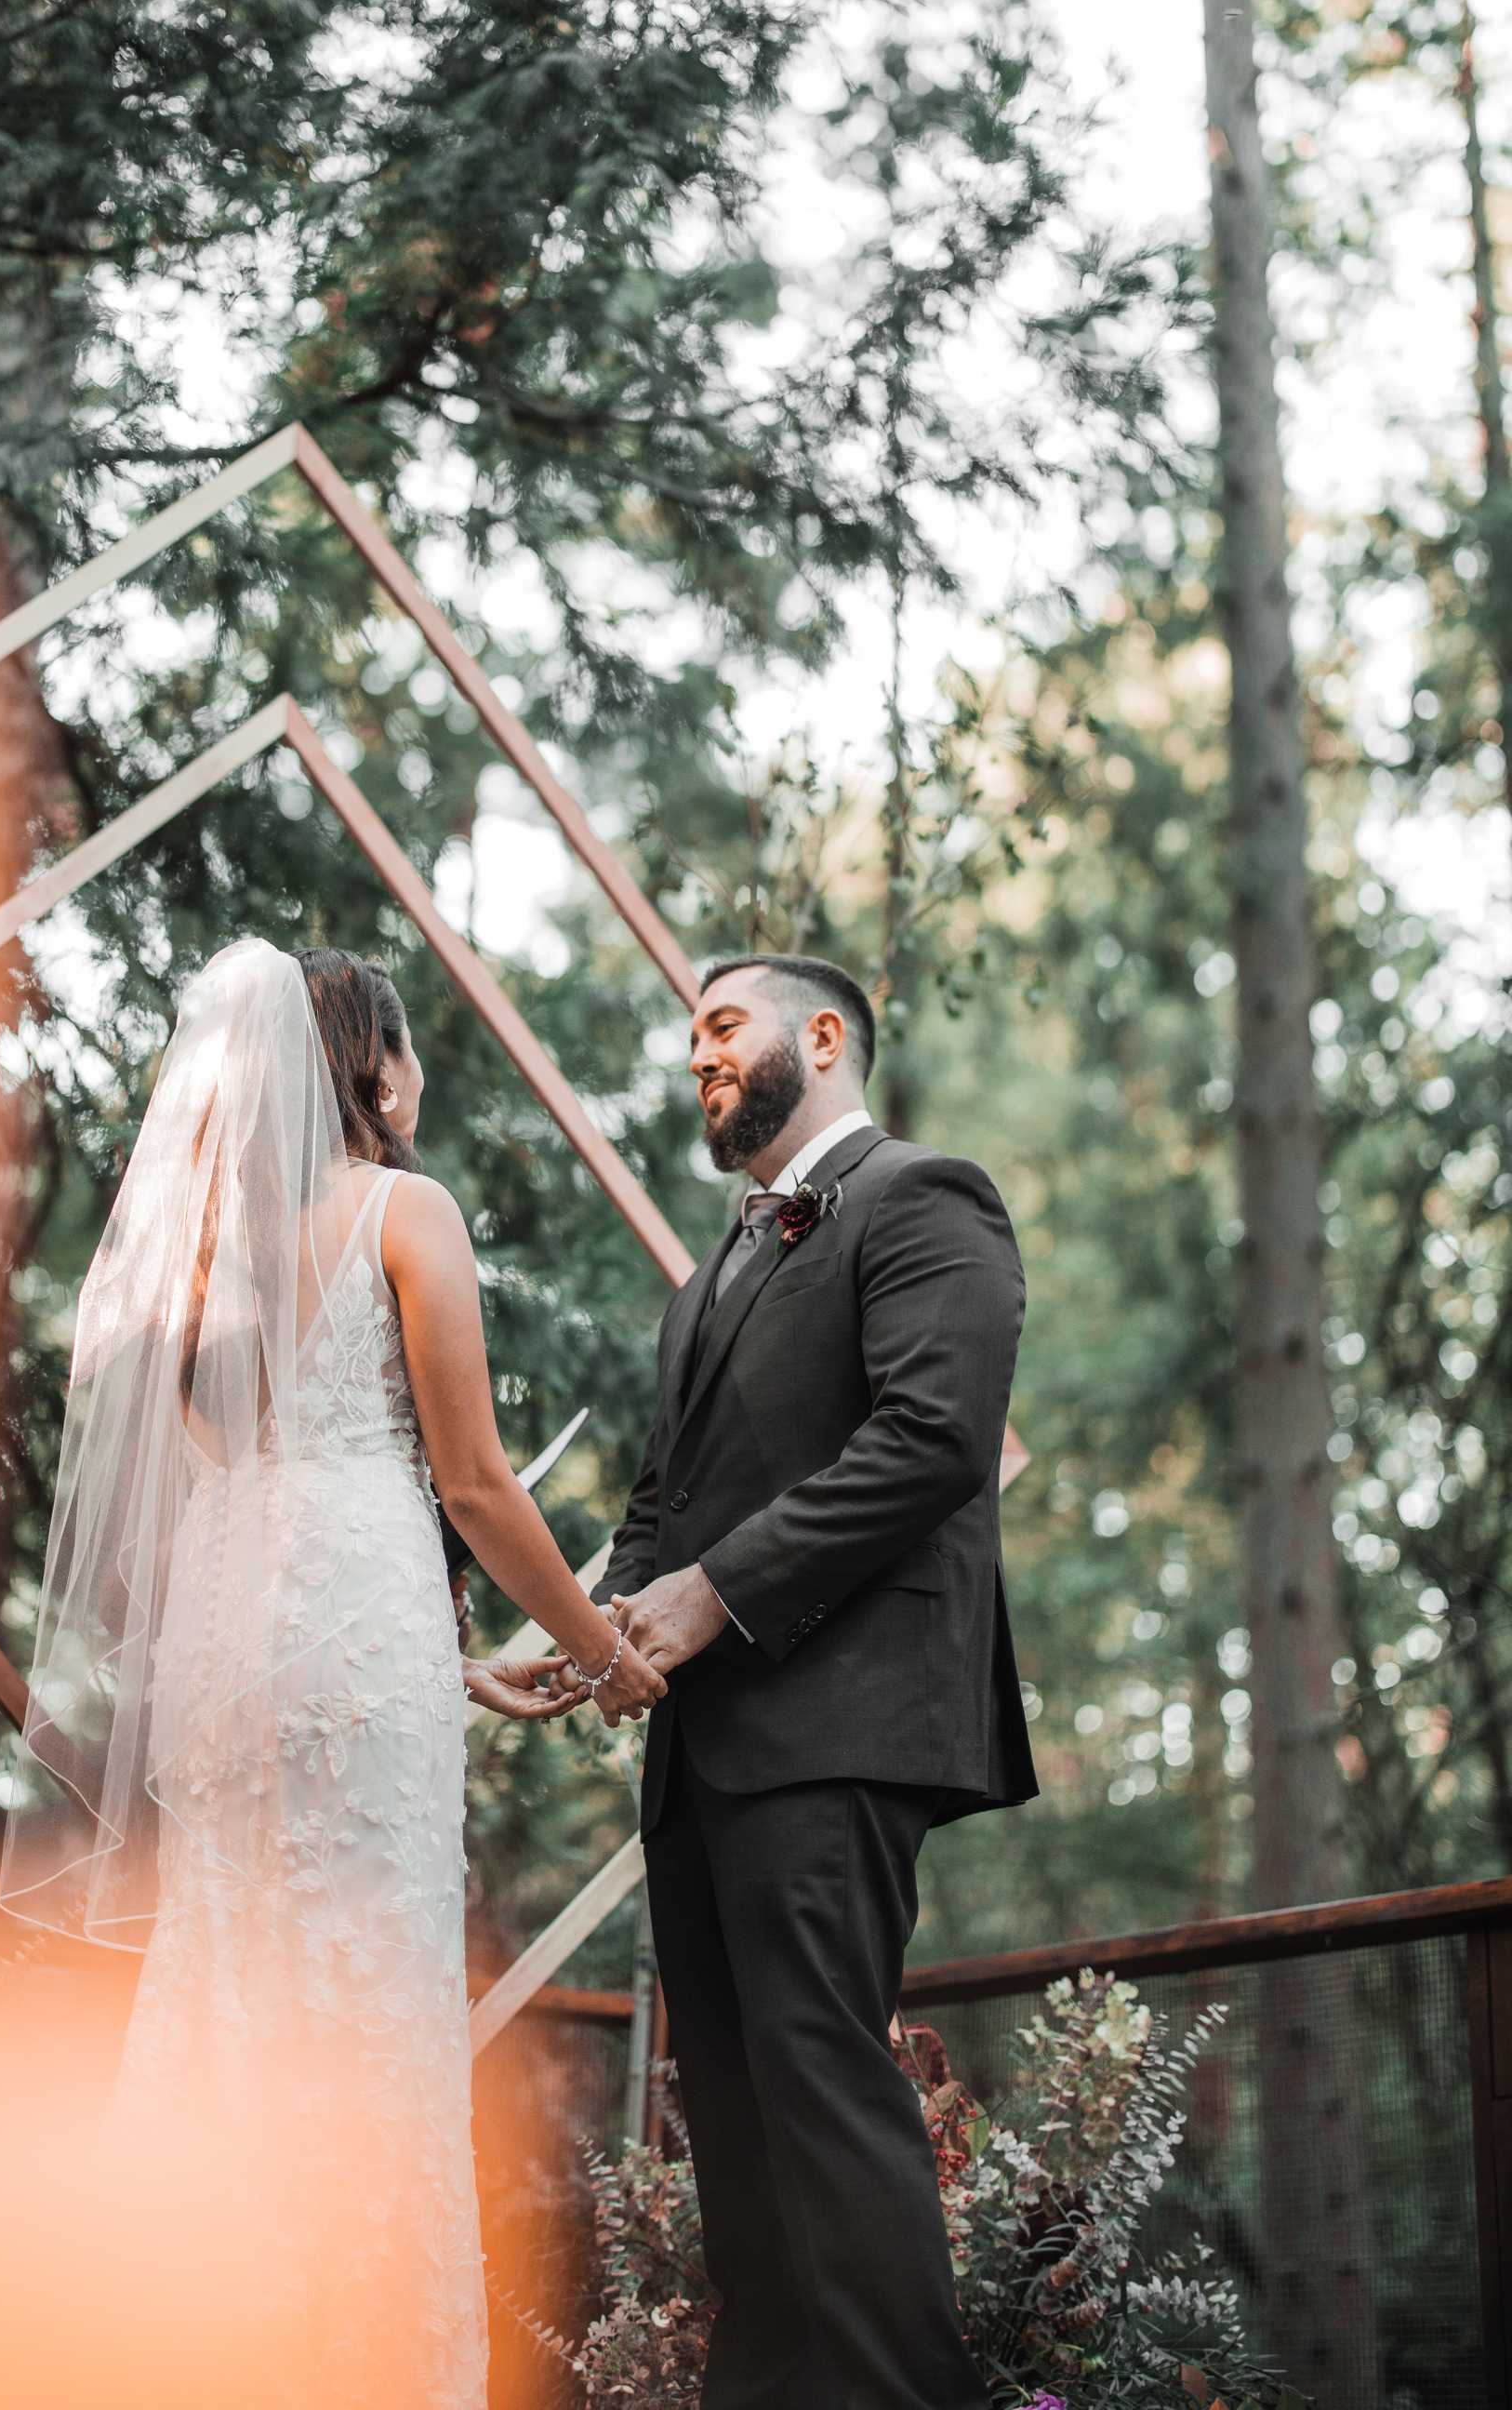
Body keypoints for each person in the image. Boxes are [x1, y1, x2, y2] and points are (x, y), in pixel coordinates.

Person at [0, 938, 663, 2410]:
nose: (418, 1073)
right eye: (408, 1044)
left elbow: (240, 1484)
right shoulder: (404, 1212)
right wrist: (601, 1649)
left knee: (231, 1972)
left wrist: (461, 1667)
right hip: (356, 1618)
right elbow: (476, 1486)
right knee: (365, 1997)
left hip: (231, 1648)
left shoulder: (201, 1266)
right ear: (371, 1063)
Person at [582, 952, 1038, 2410]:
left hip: (838, 1725)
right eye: (693, 1036)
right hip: (702, 1755)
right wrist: (592, 1632)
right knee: (734, 2128)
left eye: (724, 1025)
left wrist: (710, 1599)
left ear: (822, 1036)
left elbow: (934, 1439)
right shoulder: (710, 1273)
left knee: (823, 2099)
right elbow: (664, 1502)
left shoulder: (927, 1199)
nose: (698, 1054)